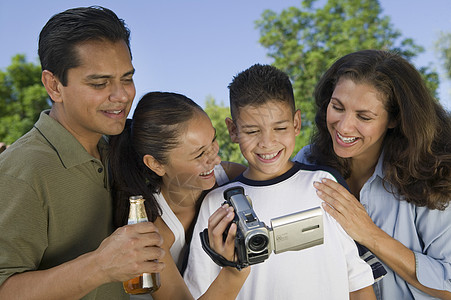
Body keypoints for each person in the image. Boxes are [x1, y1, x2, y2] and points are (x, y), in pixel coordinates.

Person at [0, 6, 164, 300]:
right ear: (54, 85)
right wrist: (100, 266)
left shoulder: (117, 150)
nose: (122, 95)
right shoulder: (20, 171)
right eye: (99, 83)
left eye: (126, 78)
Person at [184, 64, 376, 299]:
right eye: (253, 131)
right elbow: (199, 291)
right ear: (233, 130)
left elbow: (359, 281)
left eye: (280, 127)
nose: (267, 142)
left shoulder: (325, 185)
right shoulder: (216, 205)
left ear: (296, 123)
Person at [294, 49, 451, 299]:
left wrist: (369, 234)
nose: (343, 126)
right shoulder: (308, 161)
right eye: (337, 107)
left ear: (394, 119)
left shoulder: (432, 173)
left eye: (364, 116)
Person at [109, 91, 250, 299]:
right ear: (156, 164)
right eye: (200, 154)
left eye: (213, 141)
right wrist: (234, 270)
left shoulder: (229, 177)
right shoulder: (153, 229)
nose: (216, 159)